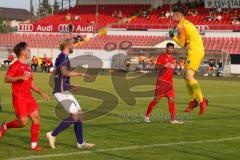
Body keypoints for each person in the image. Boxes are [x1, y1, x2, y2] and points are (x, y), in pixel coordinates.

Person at [46, 39, 95, 149]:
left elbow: (60, 76)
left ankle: (80, 143)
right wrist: (81, 74)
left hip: (65, 90)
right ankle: (52, 134)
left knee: (79, 115)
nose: (73, 46)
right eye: (72, 44)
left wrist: (70, 86)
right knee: (74, 115)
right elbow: (64, 73)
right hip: (61, 92)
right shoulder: (63, 56)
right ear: (67, 45)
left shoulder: (64, 57)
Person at [0, 42, 49, 151]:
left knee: (36, 118)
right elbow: (7, 79)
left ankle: (34, 145)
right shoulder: (15, 65)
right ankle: (5, 126)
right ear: (22, 52)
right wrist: (19, 77)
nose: (29, 52)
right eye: (27, 50)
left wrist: (41, 92)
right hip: (19, 98)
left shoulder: (28, 67)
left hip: (29, 97)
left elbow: (31, 83)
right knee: (23, 122)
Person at [169, 8, 208, 115]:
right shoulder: (187, 23)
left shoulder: (181, 26)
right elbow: (186, 43)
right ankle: (193, 101)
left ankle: (201, 101)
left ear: (178, 15)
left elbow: (181, 44)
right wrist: (176, 35)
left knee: (189, 77)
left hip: (195, 51)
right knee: (185, 76)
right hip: (196, 50)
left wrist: (172, 36)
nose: (172, 18)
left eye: (173, 16)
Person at [145, 43, 183, 124]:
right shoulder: (162, 57)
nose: (170, 49)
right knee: (156, 100)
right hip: (162, 82)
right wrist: (163, 66)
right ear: (166, 48)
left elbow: (171, 71)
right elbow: (155, 68)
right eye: (168, 48)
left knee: (172, 100)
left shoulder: (173, 60)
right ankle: (147, 116)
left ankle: (173, 119)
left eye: (171, 48)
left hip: (170, 83)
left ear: (173, 49)